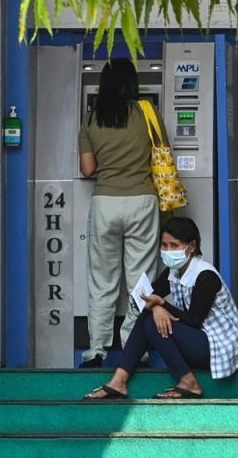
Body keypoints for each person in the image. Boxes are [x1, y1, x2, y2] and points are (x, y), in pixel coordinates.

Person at [84, 217, 238, 399]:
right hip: (198, 341)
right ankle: (118, 381)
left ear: (192, 246)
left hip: (220, 348)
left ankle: (188, 382)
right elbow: (144, 297)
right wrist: (156, 307)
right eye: (164, 245)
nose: (168, 251)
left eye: (174, 245)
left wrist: (161, 304)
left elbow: (194, 320)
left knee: (152, 323)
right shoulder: (174, 271)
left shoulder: (205, 276)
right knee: (148, 318)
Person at [78, 59, 164, 367]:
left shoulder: (91, 118)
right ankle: (133, 346)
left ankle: (96, 350)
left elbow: (88, 169)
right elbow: (162, 154)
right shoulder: (147, 113)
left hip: (106, 203)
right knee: (140, 280)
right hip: (142, 201)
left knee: (102, 280)